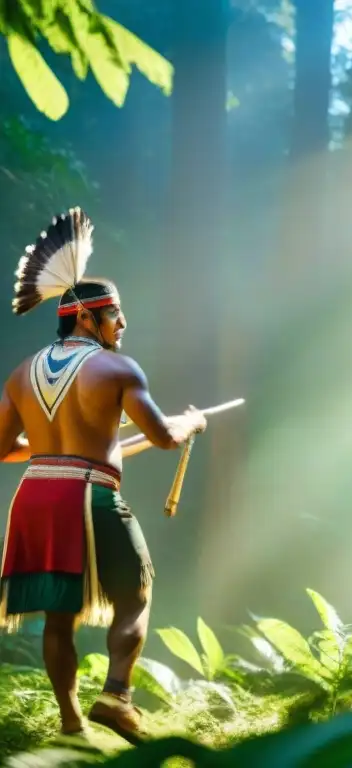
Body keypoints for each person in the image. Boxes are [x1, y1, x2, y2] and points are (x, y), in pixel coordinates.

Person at [0, 209, 207, 742]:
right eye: (116, 314)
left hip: (34, 498)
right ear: (88, 317)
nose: (123, 324)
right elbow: (161, 436)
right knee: (136, 592)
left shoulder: (22, 373)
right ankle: (115, 697)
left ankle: (71, 722)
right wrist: (190, 423)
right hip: (90, 497)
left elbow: (3, 450)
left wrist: (51, 453)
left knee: (59, 613)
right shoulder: (118, 368)